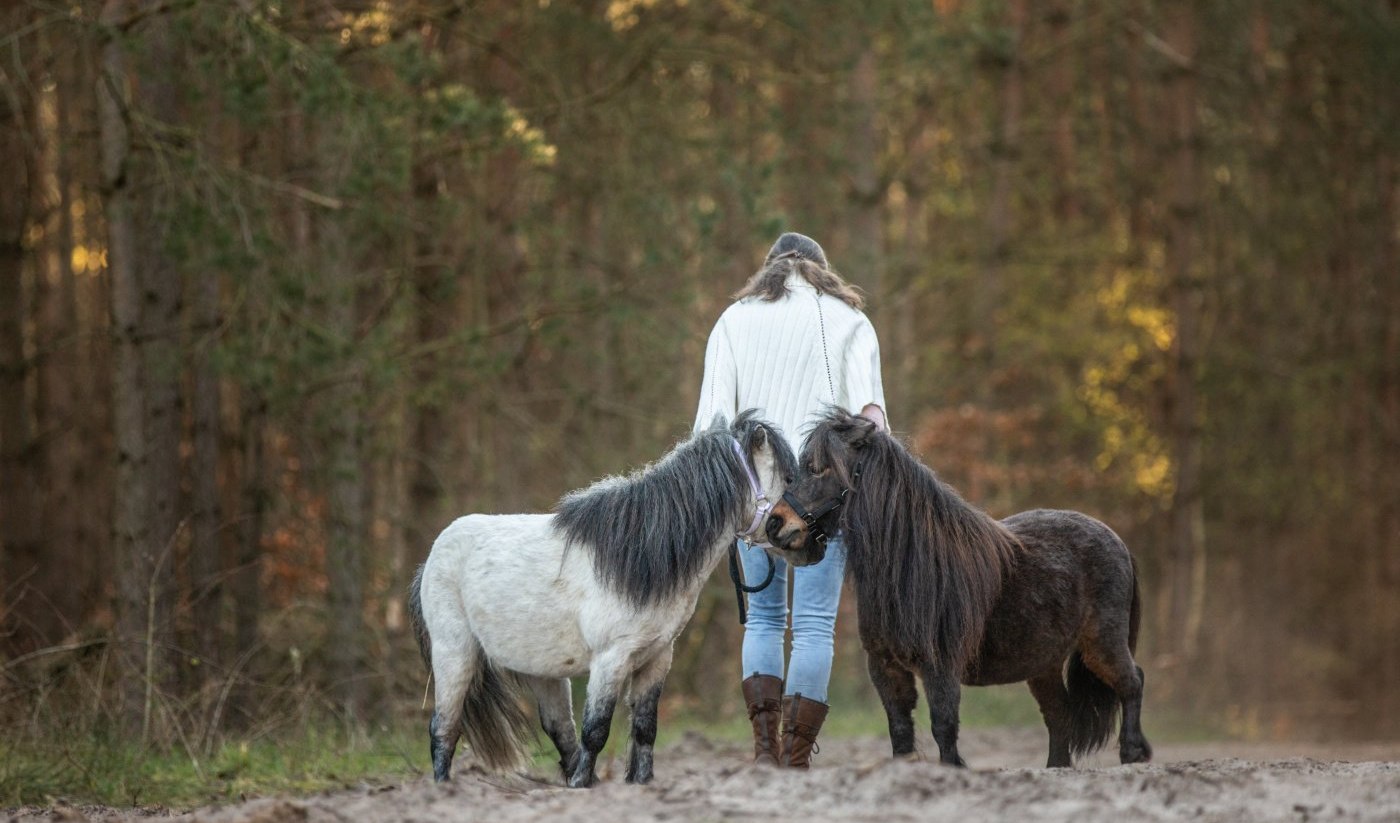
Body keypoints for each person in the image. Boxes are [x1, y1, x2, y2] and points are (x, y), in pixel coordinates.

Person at [694, 232, 886, 769]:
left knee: (761, 619)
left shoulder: (734, 320)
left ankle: (763, 753)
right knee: (815, 623)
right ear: (822, 269)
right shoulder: (850, 321)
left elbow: (710, 424)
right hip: (823, 497)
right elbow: (871, 422)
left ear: (770, 269)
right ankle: (796, 759)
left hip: (754, 496)